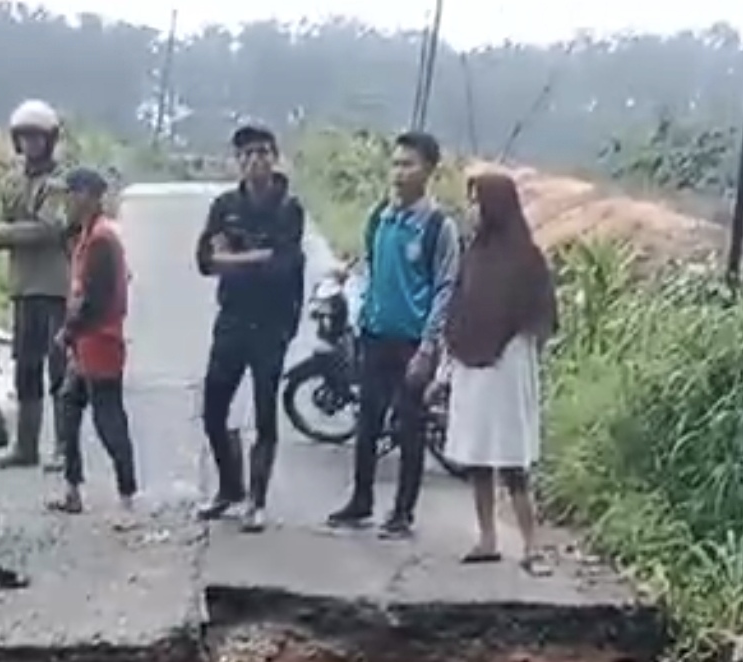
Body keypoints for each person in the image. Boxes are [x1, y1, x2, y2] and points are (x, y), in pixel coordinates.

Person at [327, 131, 461, 538]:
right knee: (367, 423)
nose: (400, 172)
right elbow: (370, 267)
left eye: (409, 164)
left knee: (410, 427)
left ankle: (403, 512)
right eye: (396, 163)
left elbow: (445, 288)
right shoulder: (380, 218)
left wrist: (428, 347)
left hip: (412, 343)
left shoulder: (439, 227)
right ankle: (361, 500)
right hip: (375, 335)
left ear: (429, 170)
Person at [443, 171, 557, 574]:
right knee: (478, 457)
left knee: (513, 462)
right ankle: (487, 537)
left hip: (507, 367)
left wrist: (505, 345)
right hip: (473, 366)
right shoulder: (474, 253)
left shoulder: (527, 258)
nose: (471, 211)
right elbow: (459, 304)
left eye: (476, 202)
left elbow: (539, 317)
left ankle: (531, 546)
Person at [195, 120, 305, 534]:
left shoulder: (288, 208)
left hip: (273, 323)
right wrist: (252, 256)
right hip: (232, 319)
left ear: (274, 158)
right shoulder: (225, 205)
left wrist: (234, 257)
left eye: (262, 152)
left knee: (264, 415)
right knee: (212, 411)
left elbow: (283, 265)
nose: (254, 160)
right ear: (236, 161)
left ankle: (257, 501)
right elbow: (205, 260)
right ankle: (229, 488)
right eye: (245, 154)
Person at [48, 167, 137, 518]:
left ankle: (127, 495)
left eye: (71, 193)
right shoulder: (88, 234)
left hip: (100, 341)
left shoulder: (101, 239)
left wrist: (68, 331)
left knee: (108, 418)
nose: (67, 200)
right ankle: (72, 488)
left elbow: (95, 300)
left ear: (88, 195)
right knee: (69, 409)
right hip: (87, 343)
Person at [0, 98, 71, 472]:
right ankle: (26, 445)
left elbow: (52, 228)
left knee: (59, 371)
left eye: (37, 137)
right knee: (26, 368)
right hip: (23, 286)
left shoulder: (60, 181)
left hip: (55, 286)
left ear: (50, 140)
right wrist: (15, 231)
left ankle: (64, 448)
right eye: (24, 138)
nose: (30, 144)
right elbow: (14, 228)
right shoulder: (13, 181)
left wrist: (8, 232)